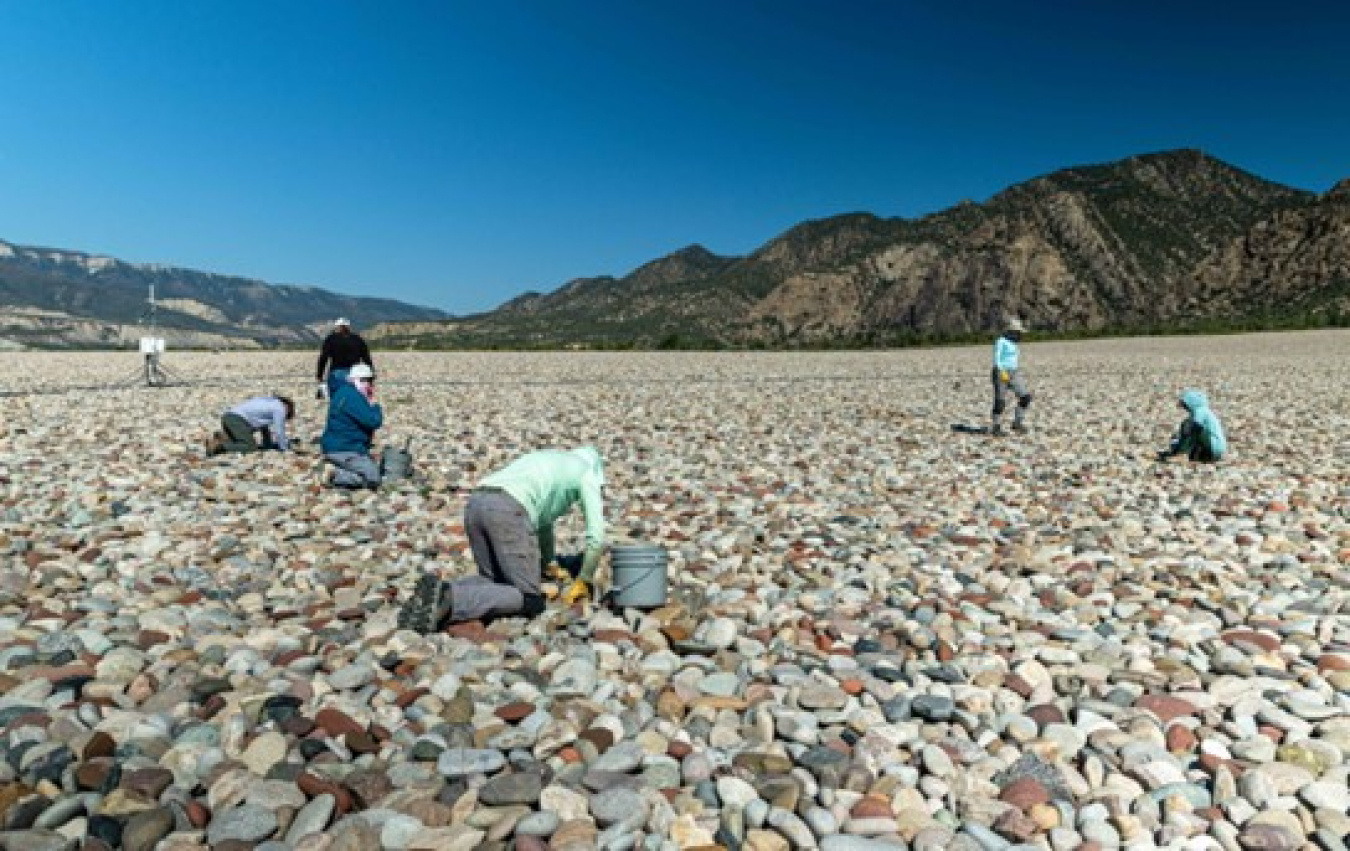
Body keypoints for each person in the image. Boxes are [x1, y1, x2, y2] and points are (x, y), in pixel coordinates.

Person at [399, 446, 606, 632]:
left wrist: (549, 563)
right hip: (507, 509)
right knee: (530, 599)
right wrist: (584, 579)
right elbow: (596, 537)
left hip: (477, 503)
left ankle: (431, 595)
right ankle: (451, 598)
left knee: (494, 583)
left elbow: (543, 523)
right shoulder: (586, 471)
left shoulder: (553, 460)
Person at [319, 363, 383, 488]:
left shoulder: (342, 392)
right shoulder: (353, 397)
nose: (370, 385)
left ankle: (334, 467)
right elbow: (373, 421)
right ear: (359, 380)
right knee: (373, 478)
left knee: (368, 467)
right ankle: (335, 475)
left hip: (336, 446)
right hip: (346, 448)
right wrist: (375, 406)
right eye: (368, 381)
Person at [208, 395, 294, 455]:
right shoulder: (280, 408)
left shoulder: (269, 401)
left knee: (241, 439)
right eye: (286, 416)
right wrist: (284, 449)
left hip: (229, 417)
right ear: (287, 407)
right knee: (250, 447)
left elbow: (263, 427)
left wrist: (267, 444)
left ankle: (223, 437)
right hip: (237, 420)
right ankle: (220, 447)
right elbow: (279, 431)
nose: (284, 417)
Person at [1158, 389, 1226, 463]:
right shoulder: (1203, 412)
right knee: (1187, 428)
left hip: (1213, 448)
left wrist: (1182, 445)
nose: (1185, 407)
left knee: (1187, 429)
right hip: (1216, 449)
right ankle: (1179, 452)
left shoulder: (1200, 411)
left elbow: (1195, 429)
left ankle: (1179, 453)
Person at [991, 318, 1033, 436]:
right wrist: (1001, 370)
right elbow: (997, 358)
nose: (1020, 335)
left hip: (1014, 372)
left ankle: (1017, 422)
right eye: (1018, 332)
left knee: (1025, 397)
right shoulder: (1001, 341)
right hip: (1001, 372)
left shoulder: (1014, 343)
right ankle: (996, 426)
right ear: (1011, 331)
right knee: (1000, 401)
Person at [316, 318, 374, 400]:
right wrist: (371, 377)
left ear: (337, 326)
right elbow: (367, 358)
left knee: (336, 399)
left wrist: (319, 375)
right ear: (348, 327)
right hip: (355, 374)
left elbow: (323, 358)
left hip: (337, 373)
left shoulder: (331, 339)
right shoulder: (358, 339)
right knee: (356, 399)